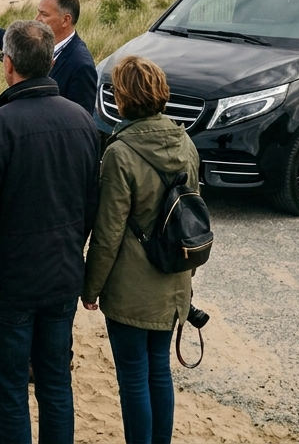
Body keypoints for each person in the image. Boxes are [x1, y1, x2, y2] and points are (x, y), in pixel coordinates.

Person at [0, 20, 101, 444]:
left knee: (9, 389)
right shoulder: (83, 121)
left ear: (8, 64)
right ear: (51, 60)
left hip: (10, 285)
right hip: (61, 275)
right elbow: (90, 205)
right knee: (56, 383)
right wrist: (73, 250)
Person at [81, 56, 198, 444]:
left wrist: (91, 287)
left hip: (132, 289)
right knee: (158, 372)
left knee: (133, 378)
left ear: (123, 98)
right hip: (173, 278)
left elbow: (109, 230)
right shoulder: (185, 143)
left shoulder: (120, 153)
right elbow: (191, 214)